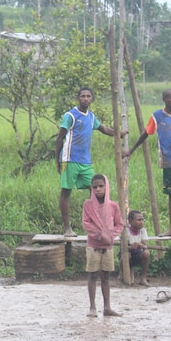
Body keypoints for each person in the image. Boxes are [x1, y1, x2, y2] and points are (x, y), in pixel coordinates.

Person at [124, 89, 171, 237]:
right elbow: (145, 134)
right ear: (164, 99)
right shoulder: (157, 117)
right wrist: (131, 150)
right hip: (169, 161)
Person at [55, 87, 119, 237]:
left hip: (85, 161)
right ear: (78, 98)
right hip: (69, 159)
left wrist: (119, 133)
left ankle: (95, 224)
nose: (85, 98)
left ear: (92, 99)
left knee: (96, 189)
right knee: (66, 191)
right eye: (82, 96)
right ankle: (67, 228)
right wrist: (57, 160)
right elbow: (60, 138)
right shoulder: (70, 115)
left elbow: (103, 129)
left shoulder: (91, 117)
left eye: (88, 96)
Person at [82, 174, 124, 318]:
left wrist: (111, 235)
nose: (98, 190)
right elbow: (86, 223)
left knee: (106, 276)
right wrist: (99, 234)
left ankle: (107, 307)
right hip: (93, 245)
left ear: (106, 187)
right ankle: (92, 307)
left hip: (108, 246)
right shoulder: (87, 205)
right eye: (95, 187)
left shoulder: (113, 206)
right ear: (92, 189)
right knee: (92, 275)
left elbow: (120, 224)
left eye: (101, 186)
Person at [121, 210, 150, 286]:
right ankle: (124, 275)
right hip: (127, 252)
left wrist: (140, 245)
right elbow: (123, 247)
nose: (141, 222)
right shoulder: (126, 231)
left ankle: (143, 278)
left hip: (137, 253)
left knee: (146, 253)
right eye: (139, 220)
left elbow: (145, 246)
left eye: (142, 220)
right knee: (126, 255)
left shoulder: (143, 231)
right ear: (130, 221)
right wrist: (130, 247)